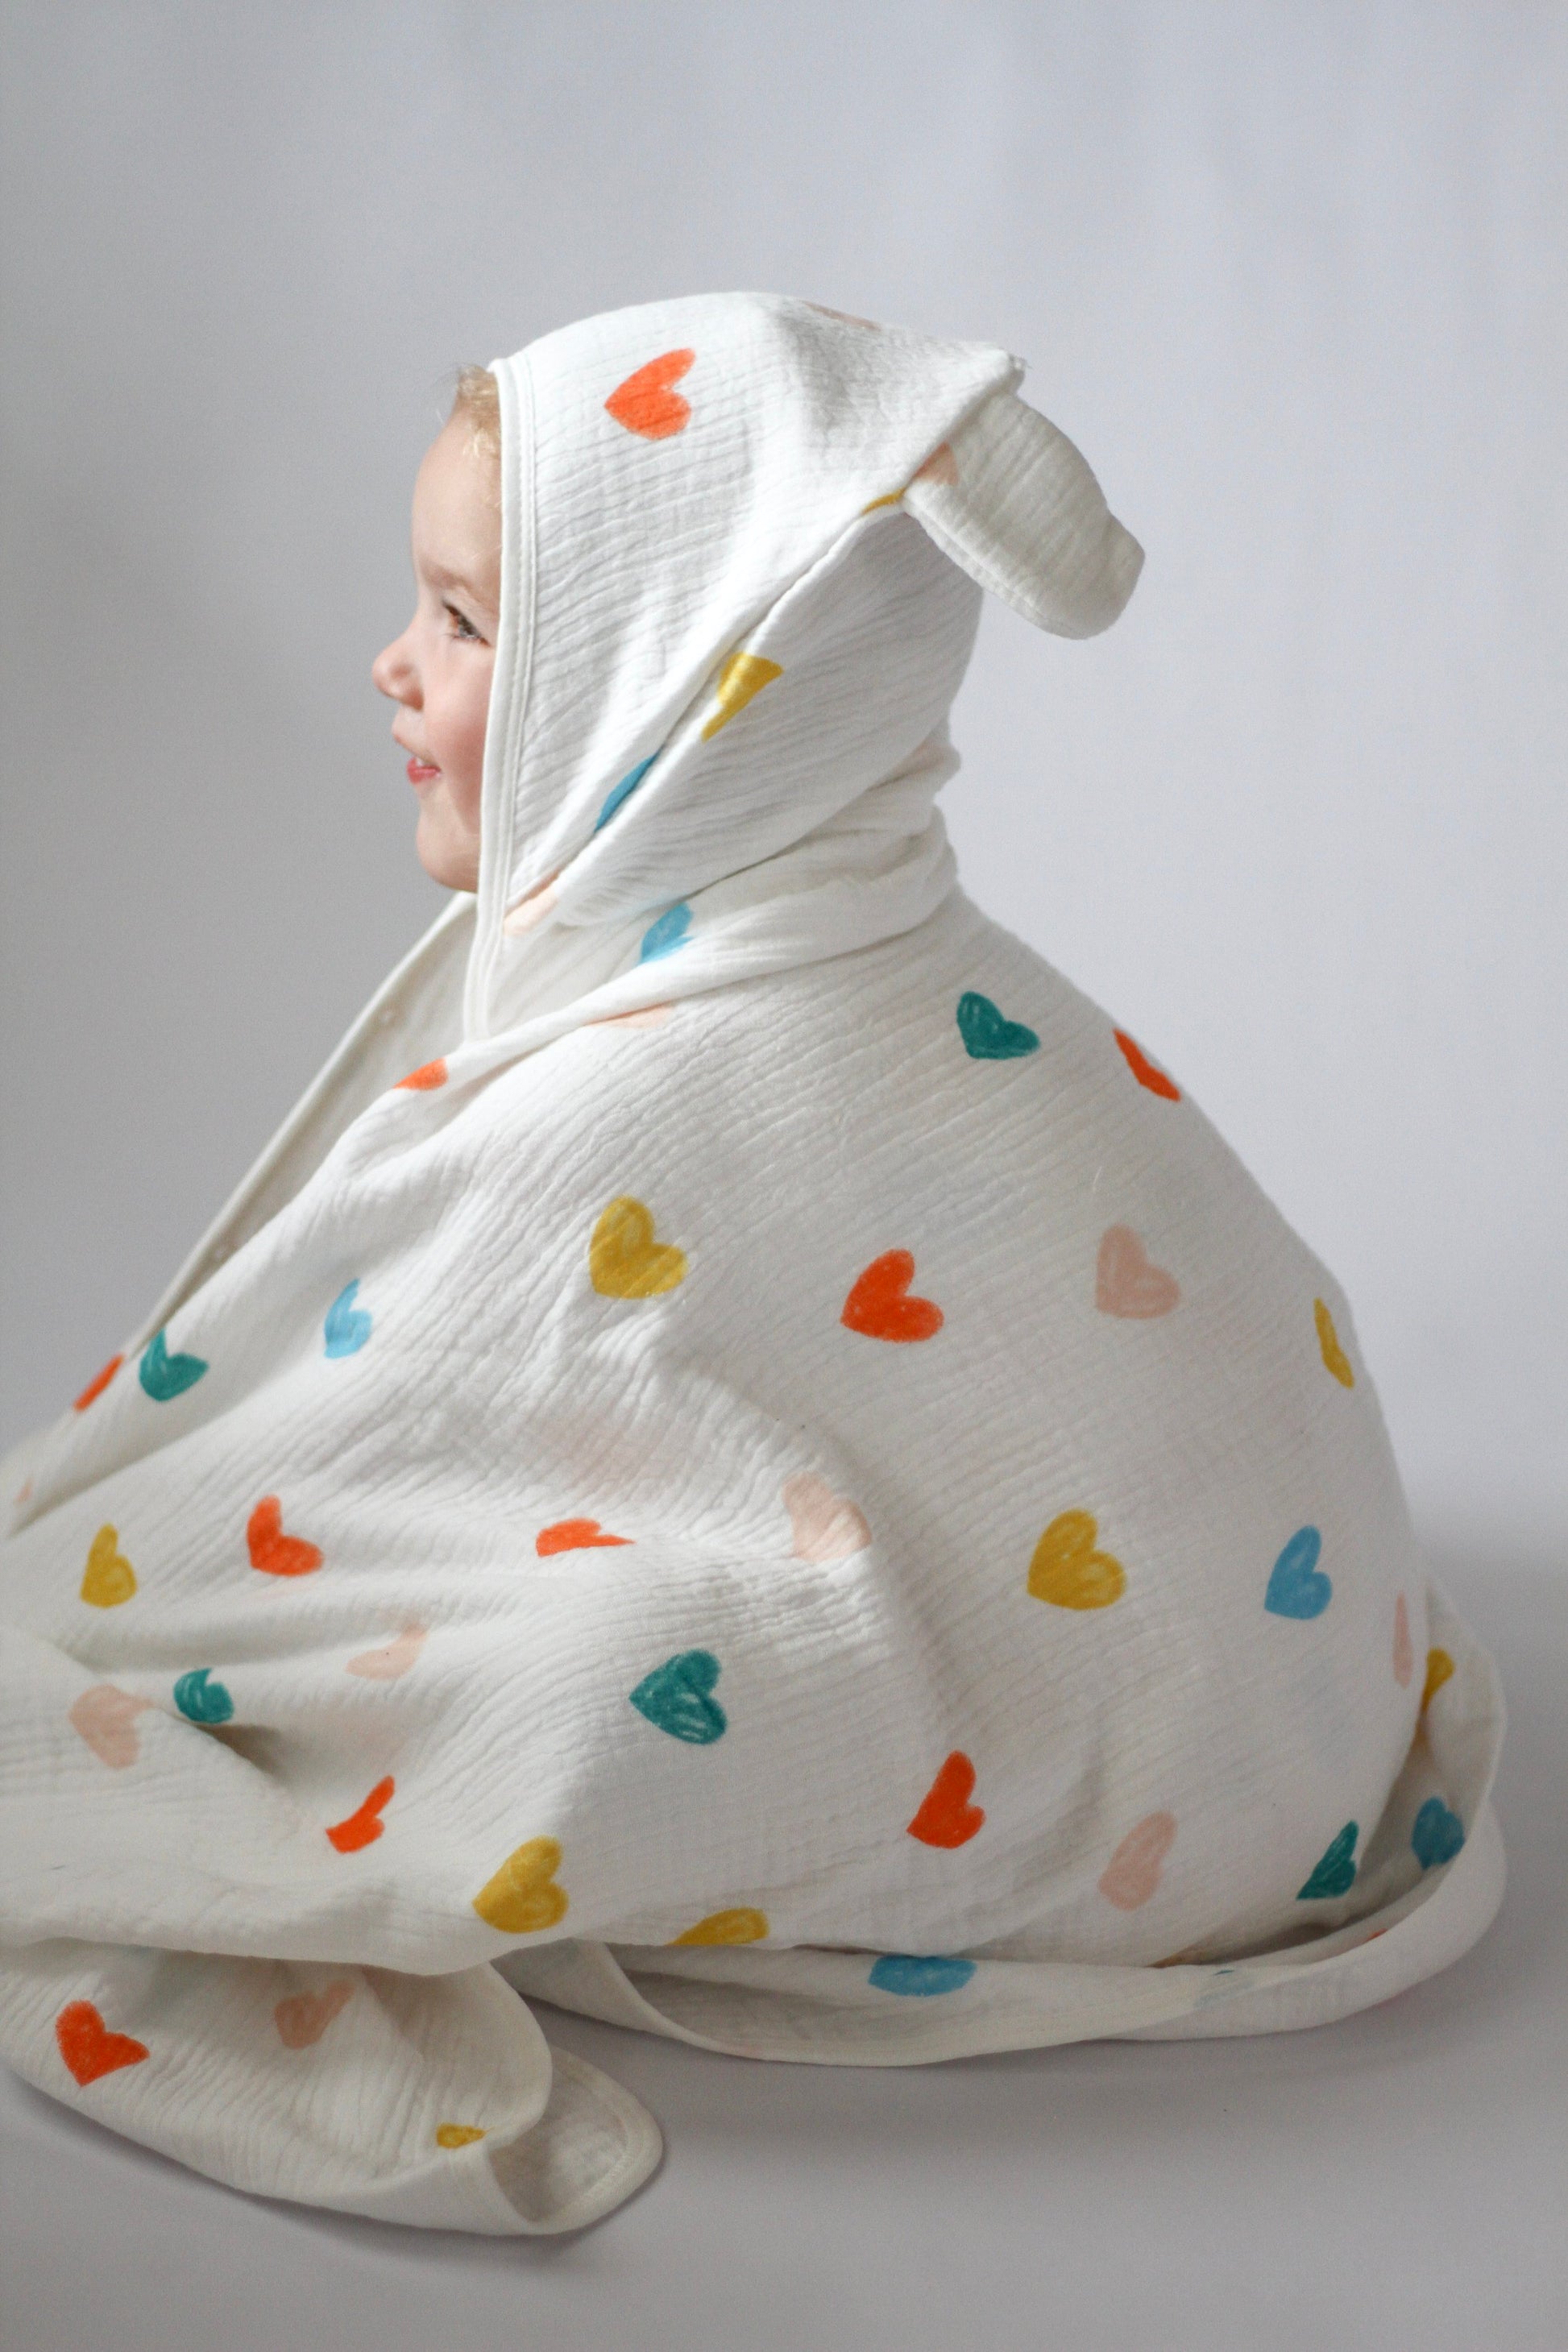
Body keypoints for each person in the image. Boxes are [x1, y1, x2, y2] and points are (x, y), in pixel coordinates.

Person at [0, 294, 1504, 2234]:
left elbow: (318, 1466)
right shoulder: (914, 956)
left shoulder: (646, 1086)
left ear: (669, 686)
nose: (391, 666)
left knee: (548, 1672)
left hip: (1176, 1800)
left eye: (465, 625)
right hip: (1304, 1729)